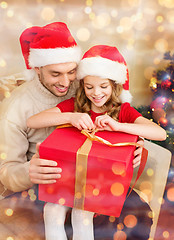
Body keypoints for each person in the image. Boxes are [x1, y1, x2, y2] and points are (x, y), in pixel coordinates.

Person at [0, 22, 143, 239]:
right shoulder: (15, 108)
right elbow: (7, 172)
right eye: (55, 74)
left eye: (71, 71)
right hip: (48, 183)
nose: (66, 82)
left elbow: (117, 113)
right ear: (37, 68)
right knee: (57, 215)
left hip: (96, 171)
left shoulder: (86, 85)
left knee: (137, 216)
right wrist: (29, 171)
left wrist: (135, 143)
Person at [27, 45, 166, 240]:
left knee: (82, 213)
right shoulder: (74, 105)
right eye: (89, 87)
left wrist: (119, 127)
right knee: (52, 209)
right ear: (83, 85)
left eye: (103, 86)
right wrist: (70, 117)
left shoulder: (123, 110)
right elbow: (32, 121)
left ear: (114, 85)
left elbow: (159, 133)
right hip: (69, 177)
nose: (96, 93)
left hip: (102, 181)